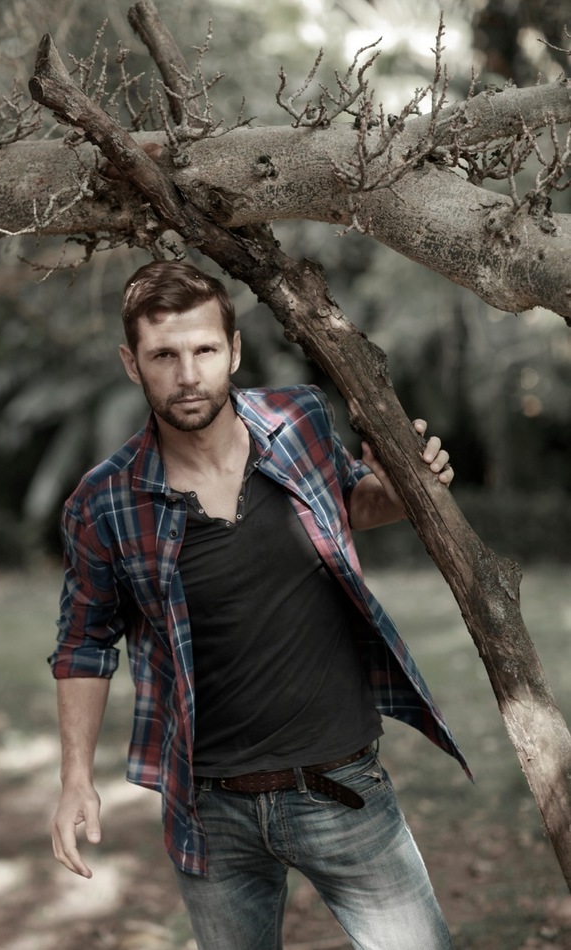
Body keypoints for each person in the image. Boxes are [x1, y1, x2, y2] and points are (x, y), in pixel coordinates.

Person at [49, 259, 469, 950]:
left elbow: (351, 501)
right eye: (164, 356)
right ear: (132, 363)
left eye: (204, 350)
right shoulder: (104, 502)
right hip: (210, 810)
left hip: (342, 785)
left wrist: (402, 493)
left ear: (234, 350)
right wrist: (75, 780)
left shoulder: (299, 418)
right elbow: (83, 646)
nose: (188, 375)